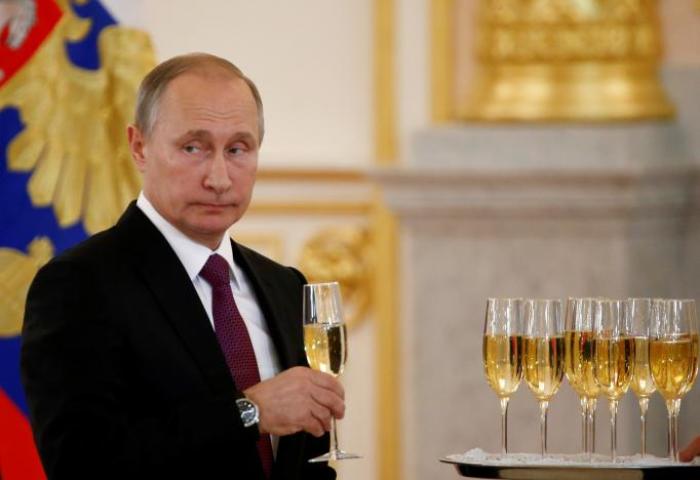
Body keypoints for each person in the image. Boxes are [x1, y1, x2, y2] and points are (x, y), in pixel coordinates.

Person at [20, 53, 345, 480]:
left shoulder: (286, 286)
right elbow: (81, 462)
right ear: (139, 146)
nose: (219, 178)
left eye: (237, 149)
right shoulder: (79, 284)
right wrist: (251, 412)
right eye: (194, 147)